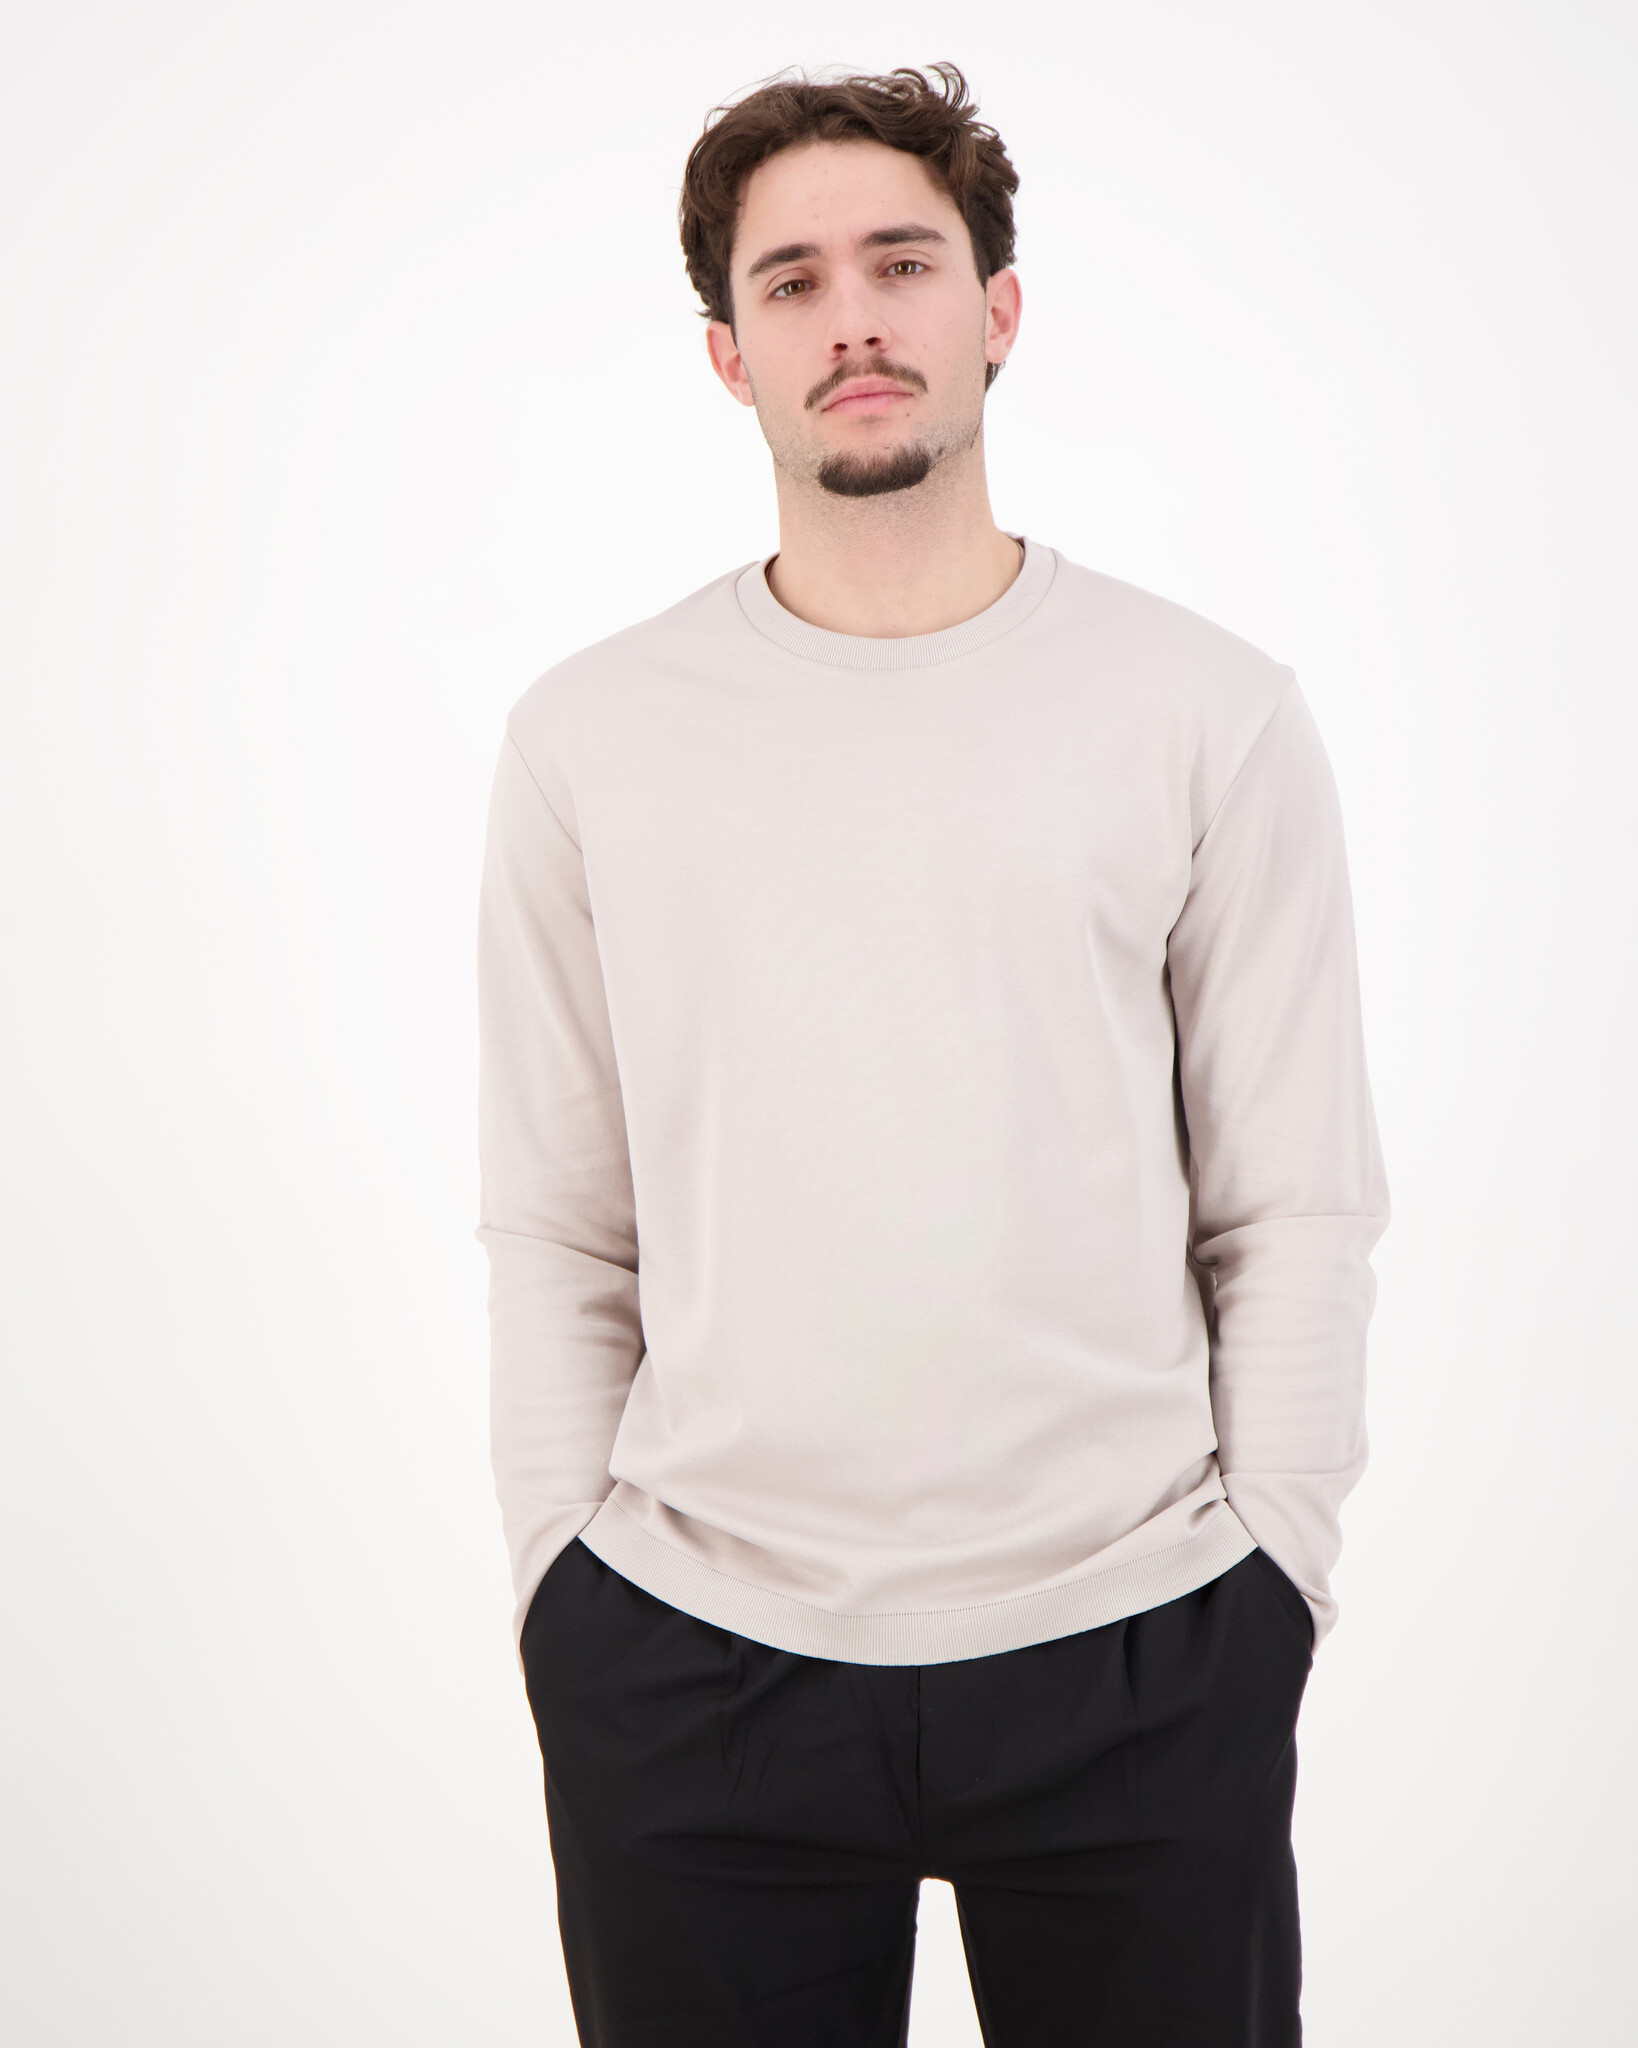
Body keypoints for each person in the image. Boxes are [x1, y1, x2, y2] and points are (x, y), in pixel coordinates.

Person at [476, 59, 1389, 2048]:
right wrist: (564, 1587)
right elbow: (557, 1220)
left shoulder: (1203, 710)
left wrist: (1274, 1582)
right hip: (691, 1657)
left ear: (999, 307)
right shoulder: (592, 738)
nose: (855, 319)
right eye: (791, 281)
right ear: (727, 354)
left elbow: (1294, 1201)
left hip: (1139, 1639)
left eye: (903, 262)